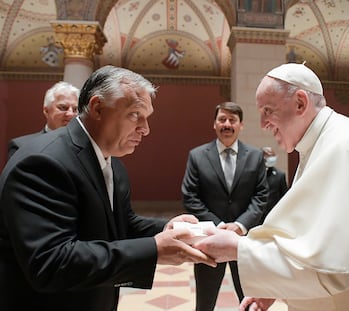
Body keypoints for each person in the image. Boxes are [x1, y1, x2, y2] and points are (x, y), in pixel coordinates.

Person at [194, 63, 349, 311]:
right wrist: (276, 287)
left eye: (268, 110)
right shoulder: (321, 144)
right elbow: (306, 245)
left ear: (300, 103)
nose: (264, 123)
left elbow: (335, 268)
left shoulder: (344, 146)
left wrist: (238, 248)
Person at [0, 65, 215, 311]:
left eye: (147, 117)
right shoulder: (42, 162)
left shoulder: (112, 164)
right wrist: (154, 249)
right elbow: (52, 262)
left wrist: (168, 228)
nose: (146, 128)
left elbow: (120, 224)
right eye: (135, 114)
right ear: (97, 107)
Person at [181, 101, 268, 311]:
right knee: (205, 302)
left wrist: (239, 225)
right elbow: (190, 196)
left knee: (250, 301)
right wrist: (218, 225)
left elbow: (261, 196)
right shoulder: (197, 156)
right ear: (214, 124)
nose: (227, 124)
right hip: (209, 239)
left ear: (241, 125)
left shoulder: (256, 156)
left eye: (232, 120)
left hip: (244, 241)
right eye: (222, 119)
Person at [8, 81, 80, 158]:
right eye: (63, 108)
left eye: (75, 109)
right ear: (46, 111)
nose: (70, 114)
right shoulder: (21, 146)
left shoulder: (85, 145)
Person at [260, 146, 288, 223]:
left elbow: (284, 197)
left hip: (274, 216)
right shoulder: (255, 175)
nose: (272, 158)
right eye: (269, 155)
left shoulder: (279, 175)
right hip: (258, 216)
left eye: (273, 156)